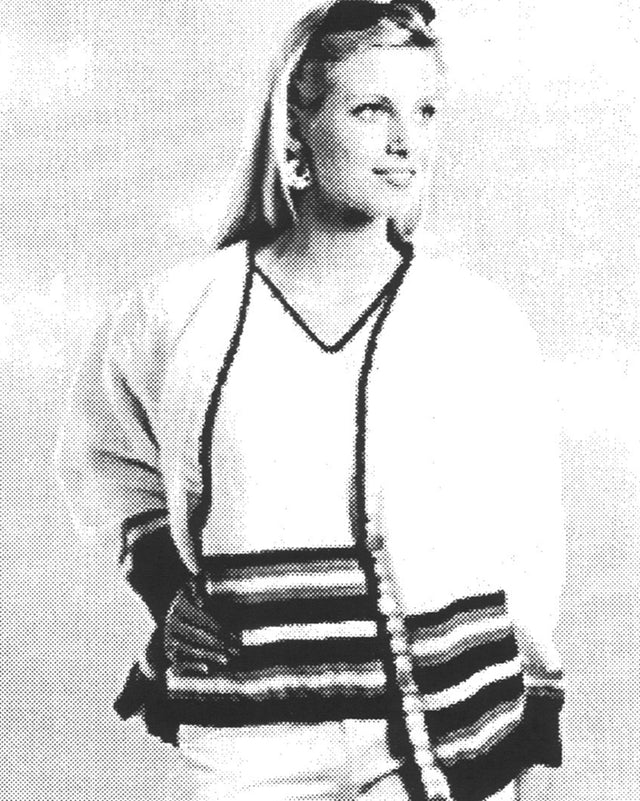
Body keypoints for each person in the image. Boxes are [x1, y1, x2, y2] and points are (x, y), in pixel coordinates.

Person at [56, 2, 566, 800]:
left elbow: (526, 540)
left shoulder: (475, 324)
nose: (407, 142)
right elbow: (107, 458)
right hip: (249, 734)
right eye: (372, 110)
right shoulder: (181, 315)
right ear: (296, 124)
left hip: (442, 731)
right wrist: (165, 586)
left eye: (425, 111)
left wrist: (532, 736)